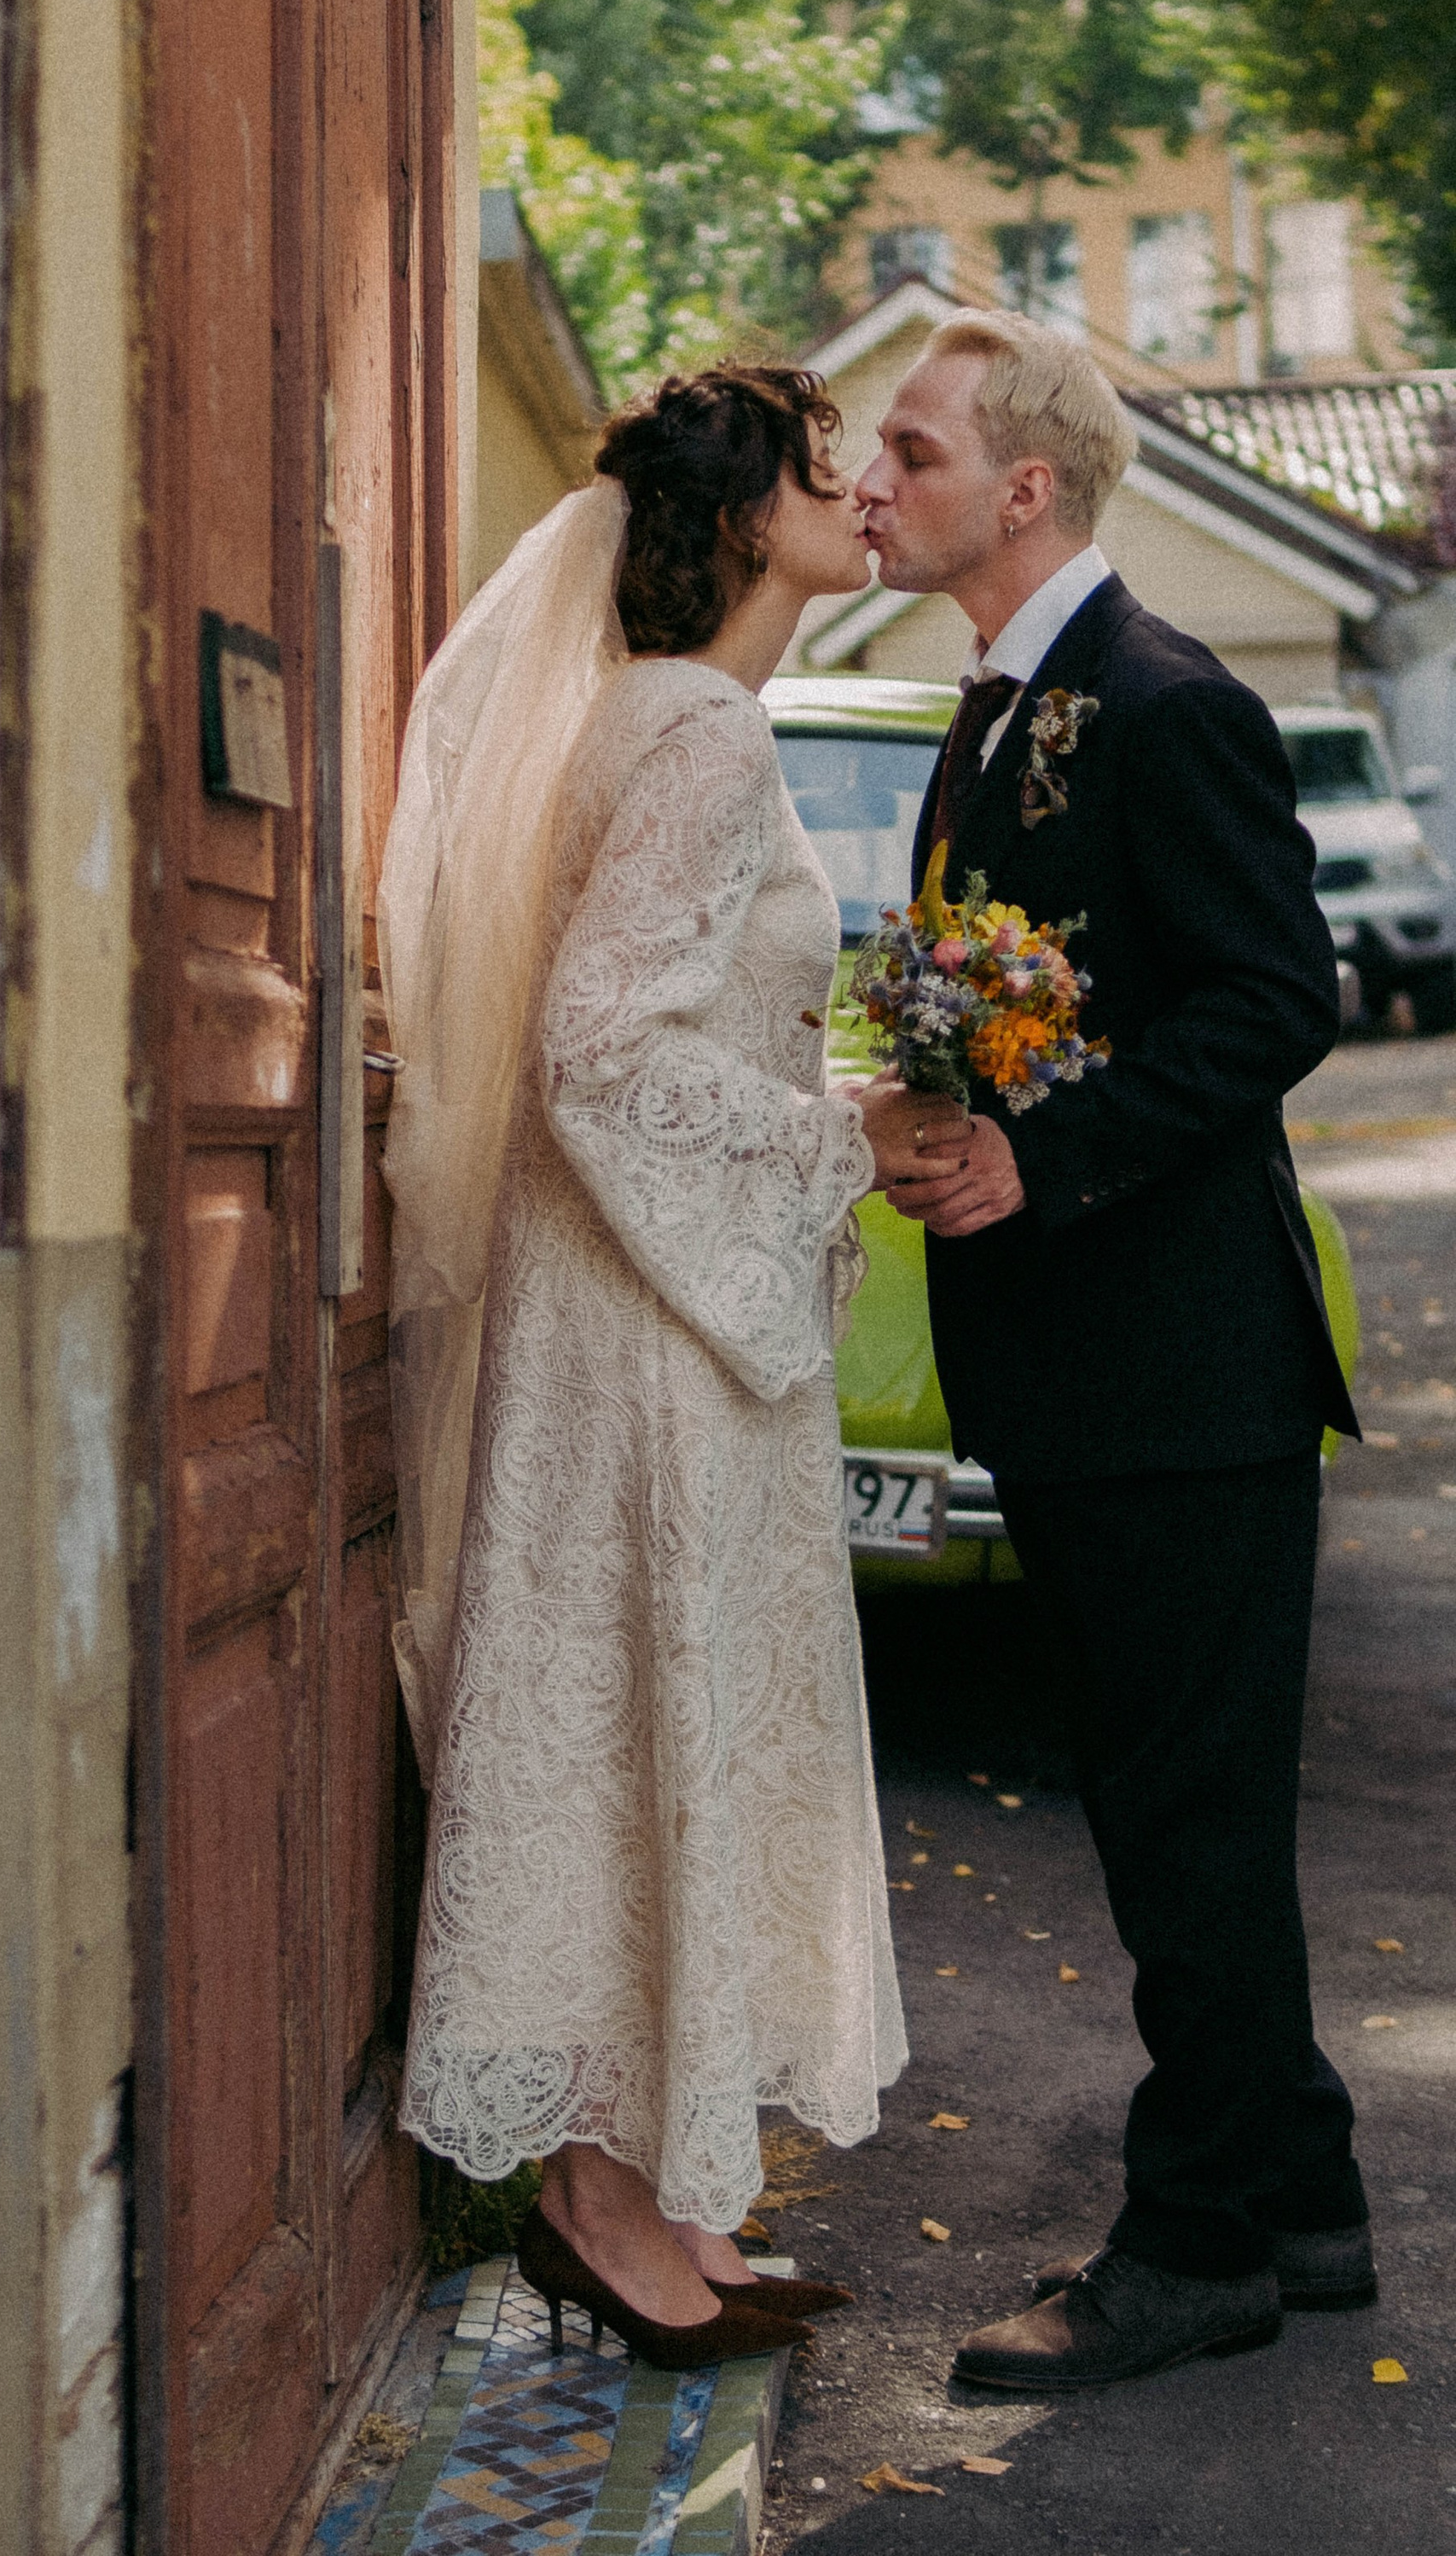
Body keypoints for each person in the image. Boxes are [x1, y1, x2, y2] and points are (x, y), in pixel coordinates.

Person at [383, 361, 928, 2371]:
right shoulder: (692, 728)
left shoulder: (653, 716)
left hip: (633, 1310)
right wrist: (831, 1139)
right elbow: (597, 1050)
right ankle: (608, 2204)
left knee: (638, 1737)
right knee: (658, 1726)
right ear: (744, 514)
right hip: (646, 1337)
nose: (862, 487)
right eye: (825, 463)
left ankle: (658, 2192)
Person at [855, 310, 1367, 2392]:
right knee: (1178, 1806)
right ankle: (1307, 2197)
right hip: (1071, 1377)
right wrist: (922, 1114)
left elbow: (1272, 1000)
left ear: (1025, 487)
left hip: (1180, 1380)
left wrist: (1034, 1158)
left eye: (908, 447)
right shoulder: (989, 711)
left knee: (1183, 1825)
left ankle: (1191, 2253)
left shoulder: (1158, 700)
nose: (872, 479)